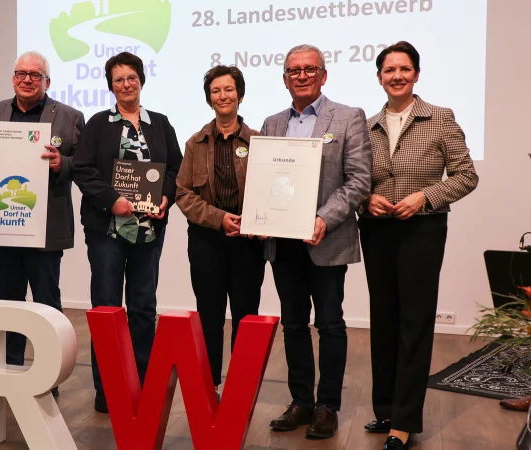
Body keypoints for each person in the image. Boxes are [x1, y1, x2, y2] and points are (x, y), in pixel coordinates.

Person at [359, 41, 478, 450]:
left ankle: (406, 419)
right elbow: (355, 179)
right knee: (384, 321)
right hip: (376, 231)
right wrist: (364, 199)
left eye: (404, 69)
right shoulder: (367, 125)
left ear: (416, 74)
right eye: (389, 70)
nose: (397, 76)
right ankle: (386, 409)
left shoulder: (440, 118)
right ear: (379, 77)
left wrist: (425, 197)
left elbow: (466, 176)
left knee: (414, 323)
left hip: (422, 233)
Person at [262, 44, 372, 439]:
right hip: (284, 243)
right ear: (285, 78)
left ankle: (327, 407)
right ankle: (301, 402)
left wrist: (324, 218)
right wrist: (262, 213)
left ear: (323, 75)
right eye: (294, 70)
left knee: (330, 324)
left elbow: (359, 179)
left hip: (326, 239)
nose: (302, 75)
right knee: (293, 325)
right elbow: (267, 181)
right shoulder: (273, 123)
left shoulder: (347, 118)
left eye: (310, 69)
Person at [72, 51, 183, 413]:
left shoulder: (161, 123)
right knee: (107, 308)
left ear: (141, 80)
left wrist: (166, 196)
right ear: (110, 86)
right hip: (107, 229)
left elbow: (175, 170)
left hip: (149, 232)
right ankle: (108, 390)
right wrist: (112, 200)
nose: (126, 85)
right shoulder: (98, 123)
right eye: (118, 79)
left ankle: (142, 382)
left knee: (143, 307)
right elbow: (84, 169)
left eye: (131, 77)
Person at [0, 51, 84, 398]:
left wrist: (62, 164)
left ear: (47, 82)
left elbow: (83, 166)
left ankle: (47, 375)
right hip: (4, 219)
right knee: (8, 299)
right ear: (13, 78)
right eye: (21, 74)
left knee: (45, 301)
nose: (27, 79)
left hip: (46, 224)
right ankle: (10, 369)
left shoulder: (70, 117)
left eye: (35, 75)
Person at [175, 65, 265, 398]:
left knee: (246, 315)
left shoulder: (259, 142)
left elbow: (271, 191)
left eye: (229, 89)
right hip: (206, 241)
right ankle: (209, 385)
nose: (223, 96)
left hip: (248, 242)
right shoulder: (195, 142)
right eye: (216, 91)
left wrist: (254, 221)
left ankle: (241, 389)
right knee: (209, 314)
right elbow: (183, 193)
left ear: (239, 94)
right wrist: (218, 218)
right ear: (208, 98)